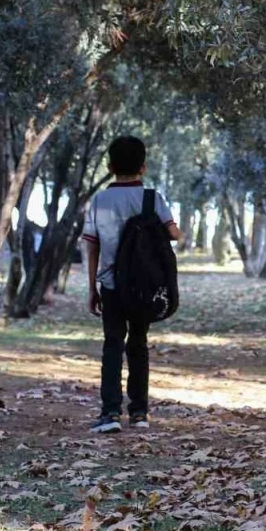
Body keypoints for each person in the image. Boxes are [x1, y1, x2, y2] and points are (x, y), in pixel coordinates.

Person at [82, 136, 181, 433]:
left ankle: (110, 413)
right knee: (138, 344)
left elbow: (92, 246)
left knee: (112, 344)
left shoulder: (99, 200)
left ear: (110, 166)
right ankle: (139, 413)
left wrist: (91, 288)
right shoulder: (153, 198)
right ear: (144, 166)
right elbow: (174, 234)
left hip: (112, 285)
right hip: (143, 287)